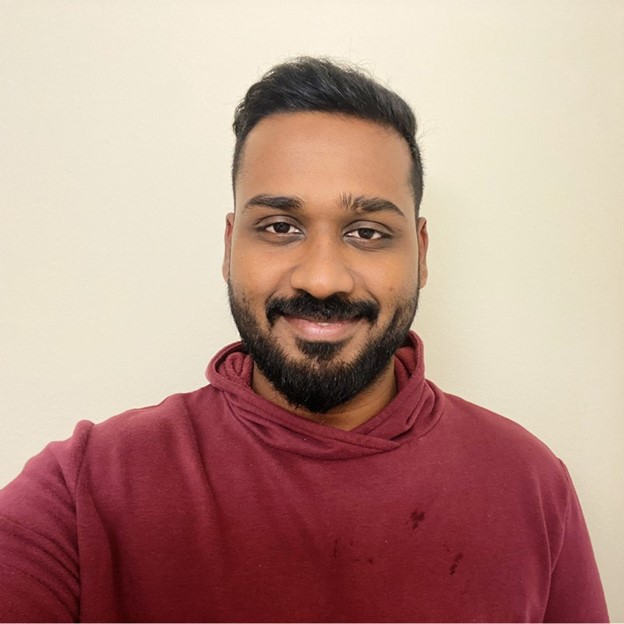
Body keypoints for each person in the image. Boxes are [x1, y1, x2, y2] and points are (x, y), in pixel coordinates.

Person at [0, 57, 609, 623]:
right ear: (230, 247)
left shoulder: (531, 483)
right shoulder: (82, 490)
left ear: (421, 254)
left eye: (367, 232)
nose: (321, 279)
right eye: (280, 227)